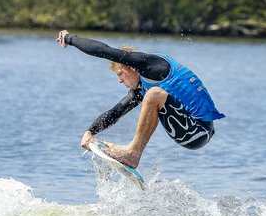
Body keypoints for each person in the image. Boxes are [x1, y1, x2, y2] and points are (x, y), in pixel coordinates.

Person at [56, 30, 224, 169]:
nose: (120, 80)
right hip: (190, 133)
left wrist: (70, 39)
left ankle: (132, 154)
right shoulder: (142, 88)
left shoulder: (152, 66)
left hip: (199, 131)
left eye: (120, 74)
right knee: (151, 95)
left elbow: (104, 50)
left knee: (154, 95)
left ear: (130, 67)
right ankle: (132, 152)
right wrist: (89, 132)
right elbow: (116, 112)